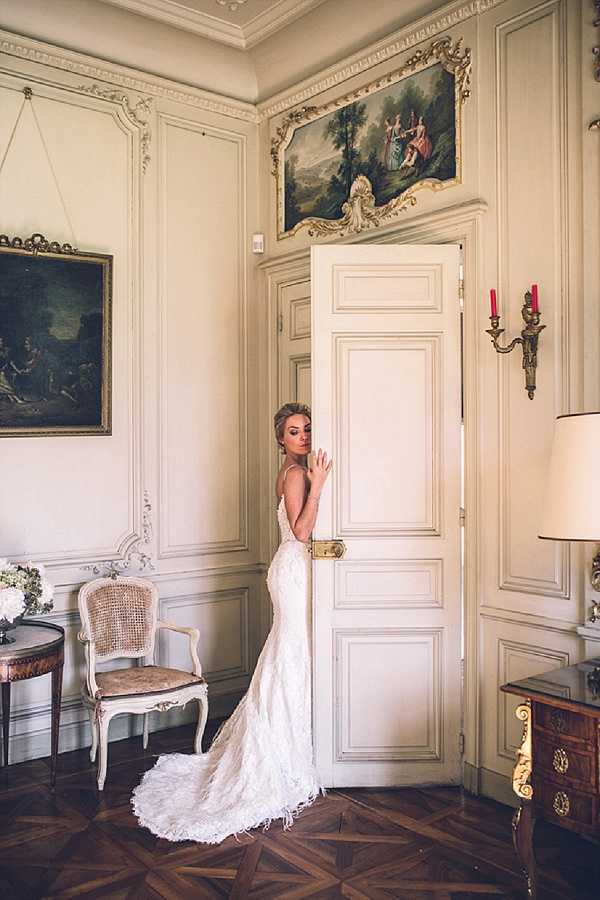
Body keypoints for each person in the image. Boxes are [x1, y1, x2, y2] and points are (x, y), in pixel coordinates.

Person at [132, 402, 332, 843]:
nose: (303, 437)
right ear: (281, 438)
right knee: (292, 651)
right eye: (295, 431)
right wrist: (319, 486)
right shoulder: (298, 474)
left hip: (292, 570)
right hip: (294, 568)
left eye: (307, 430)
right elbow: (301, 532)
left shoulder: (290, 470)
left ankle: (299, 746)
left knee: (290, 653)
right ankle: (279, 757)